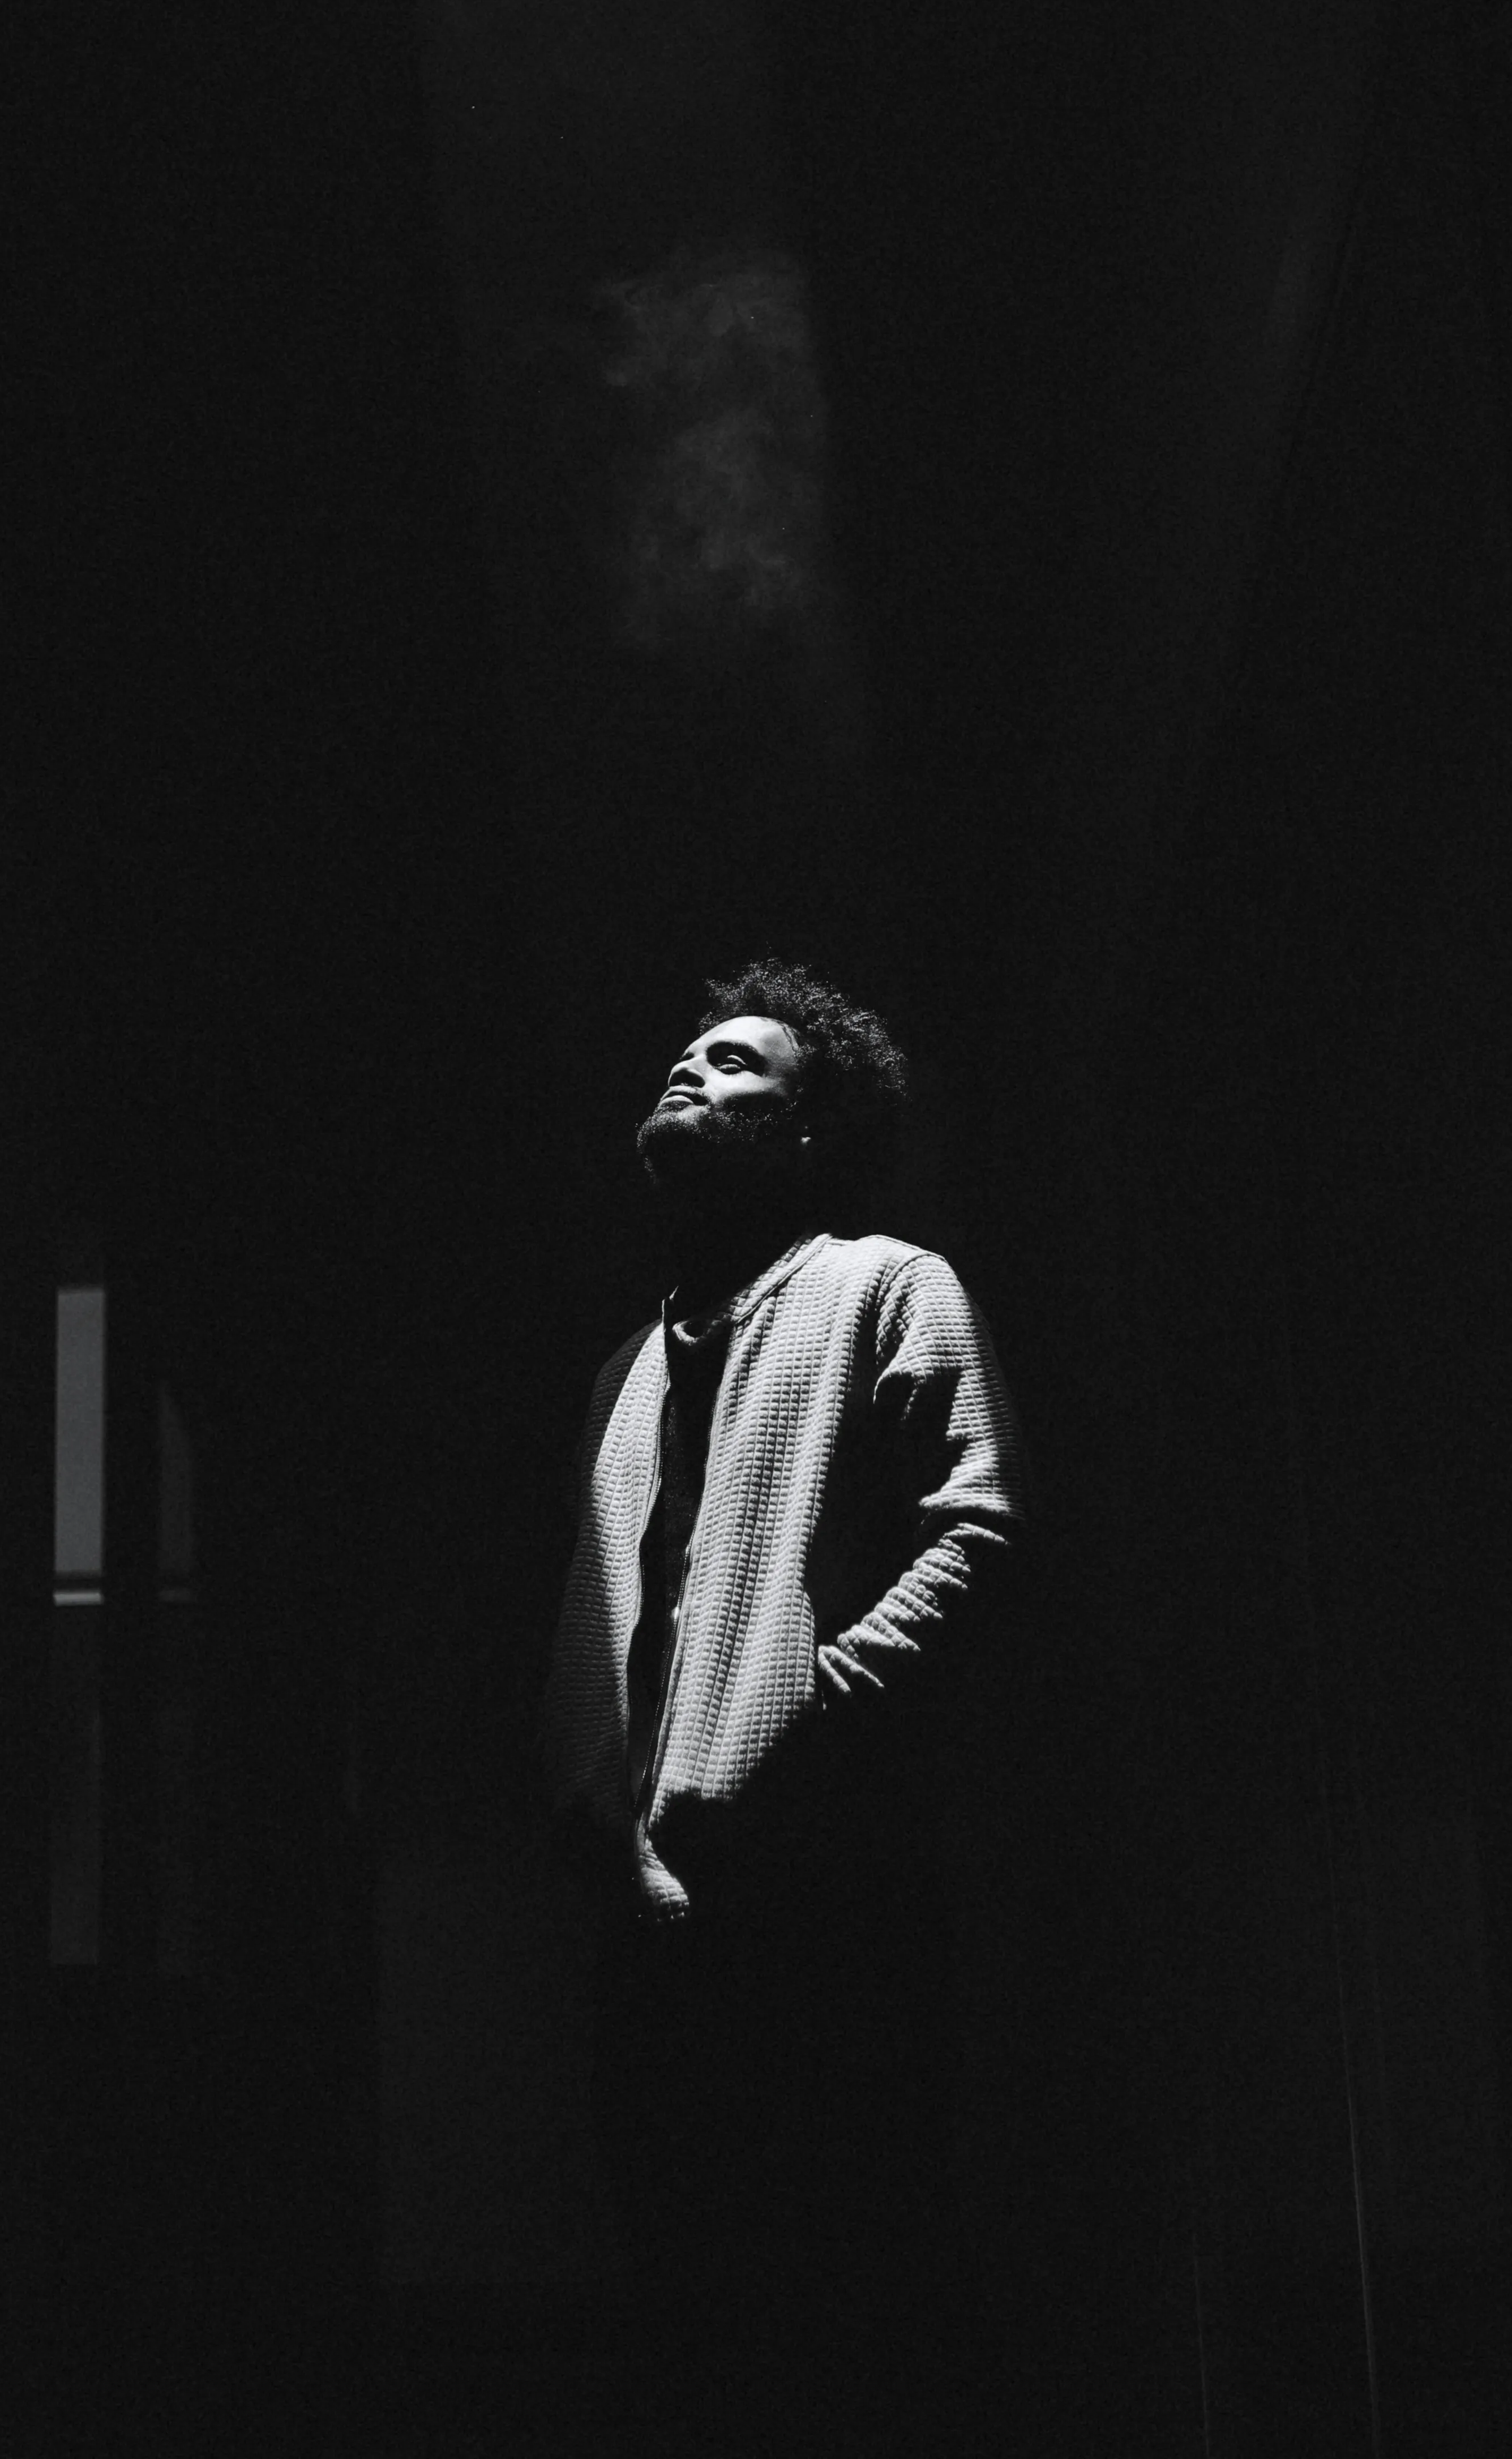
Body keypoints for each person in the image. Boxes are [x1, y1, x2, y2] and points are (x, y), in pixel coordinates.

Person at [536, 959, 1031, 2452]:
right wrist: (598, 1819)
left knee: (857, 2315)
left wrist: (798, 1724)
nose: (690, 1071)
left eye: (739, 1063)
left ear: (810, 1128)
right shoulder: (629, 1366)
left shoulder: (888, 1285)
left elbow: (977, 1534)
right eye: (683, 1053)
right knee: (689, 2325)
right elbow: (591, 1625)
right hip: (650, 1918)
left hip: (836, 1893)